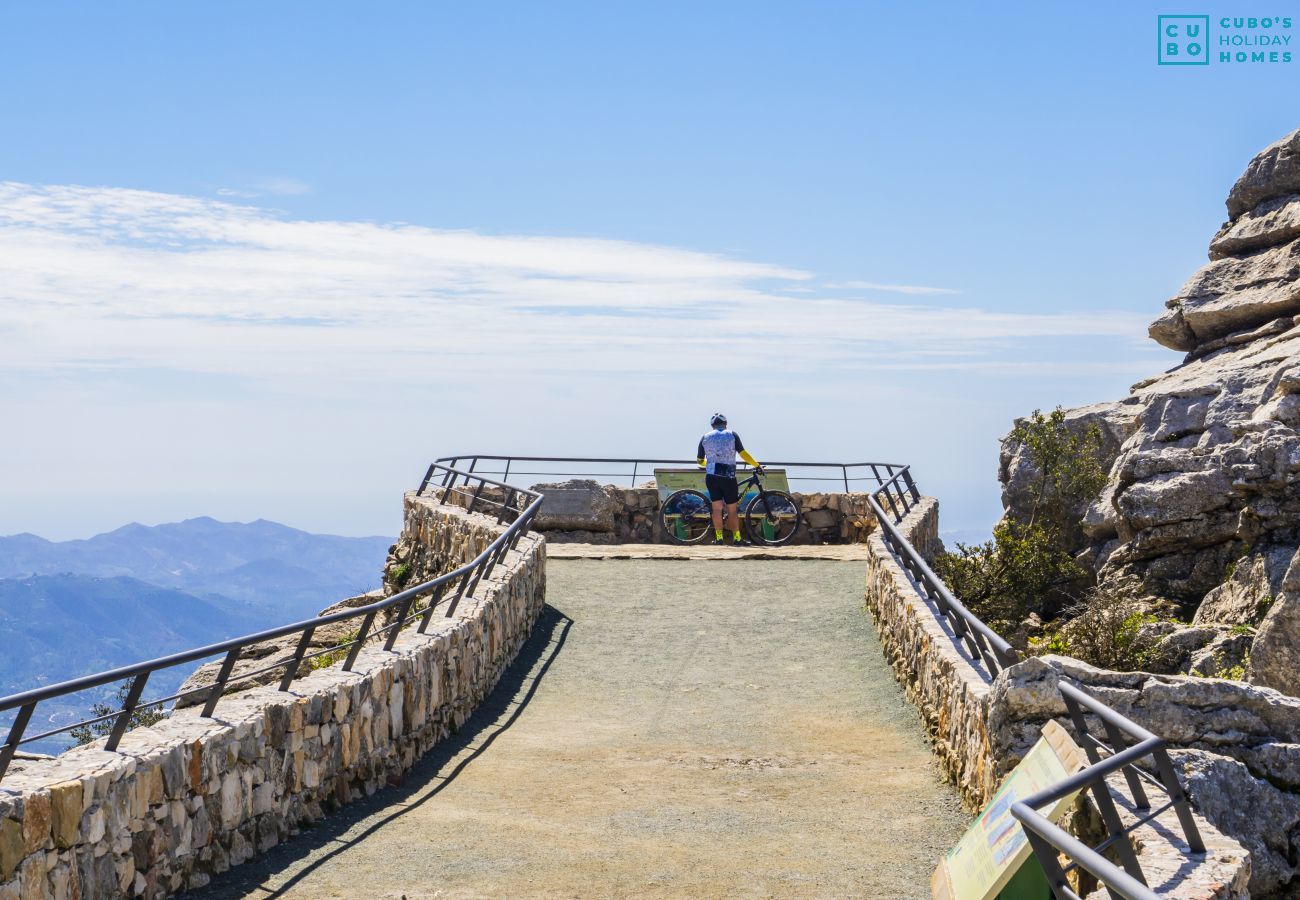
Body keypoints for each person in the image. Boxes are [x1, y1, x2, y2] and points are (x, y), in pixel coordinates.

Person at [696, 413, 762, 544]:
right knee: (732, 509)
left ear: (712, 425)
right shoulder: (732, 434)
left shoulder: (705, 437)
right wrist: (756, 465)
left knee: (717, 508)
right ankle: (737, 539)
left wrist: (708, 465)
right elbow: (743, 453)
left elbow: (699, 460)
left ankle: (719, 538)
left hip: (711, 476)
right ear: (725, 424)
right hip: (728, 476)